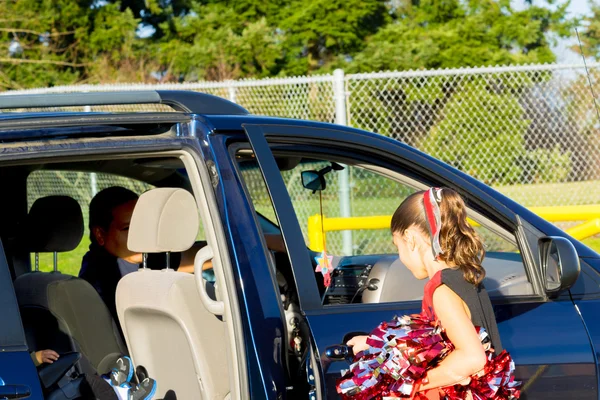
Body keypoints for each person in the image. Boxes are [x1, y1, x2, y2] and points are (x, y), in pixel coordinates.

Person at [347, 187, 503, 398]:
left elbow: (472, 358)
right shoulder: (462, 276)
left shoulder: (442, 291)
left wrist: (411, 385)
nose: (399, 256)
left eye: (397, 246)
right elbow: (432, 340)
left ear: (410, 238)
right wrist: (374, 343)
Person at [79, 187, 205, 323]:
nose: (141, 233)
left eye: (142, 224)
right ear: (100, 234)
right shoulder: (99, 282)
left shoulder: (142, 257)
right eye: (127, 228)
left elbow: (195, 257)